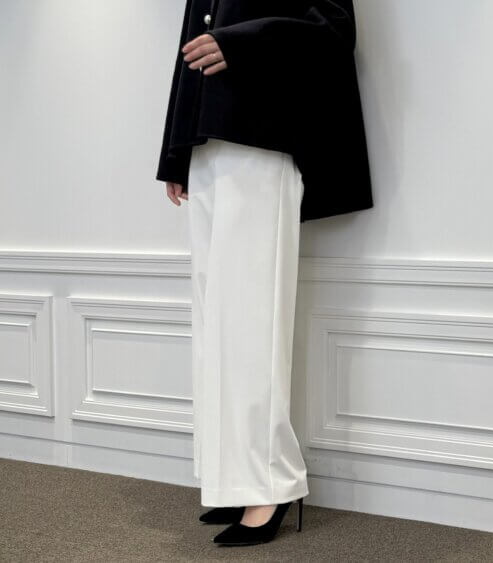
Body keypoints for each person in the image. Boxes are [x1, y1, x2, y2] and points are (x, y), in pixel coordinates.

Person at [154, 0, 373, 547]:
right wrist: (175, 154)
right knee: (215, 327)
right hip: (207, 146)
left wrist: (240, 43)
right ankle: (233, 480)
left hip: (265, 137)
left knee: (252, 325)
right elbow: (191, 45)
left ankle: (271, 484)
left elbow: (334, 30)